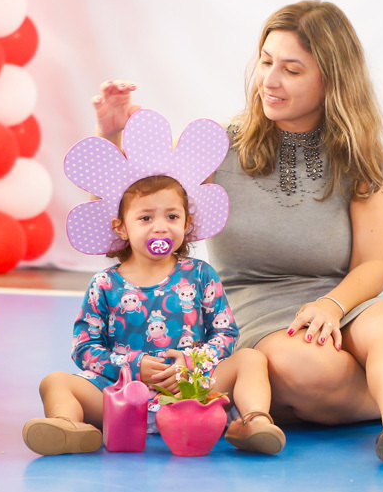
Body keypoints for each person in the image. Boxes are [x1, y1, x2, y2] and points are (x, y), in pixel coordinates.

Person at [92, 1, 383, 462]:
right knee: (307, 369)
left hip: (340, 304)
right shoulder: (215, 146)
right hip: (258, 312)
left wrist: (332, 305)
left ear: (332, 80)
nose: (270, 80)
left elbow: (373, 263)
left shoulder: (360, 157)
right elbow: (125, 220)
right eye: (266, 62)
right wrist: (111, 137)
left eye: (291, 70)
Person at [24, 170, 285, 456]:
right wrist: (134, 366)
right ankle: (69, 426)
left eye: (172, 216)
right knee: (55, 382)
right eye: (146, 218)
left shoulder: (200, 274)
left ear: (187, 223)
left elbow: (225, 334)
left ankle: (253, 421)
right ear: (121, 228)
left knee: (250, 358)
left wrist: (191, 363)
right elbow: (85, 348)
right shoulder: (105, 284)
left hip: (192, 393)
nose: (160, 227)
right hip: (122, 399)